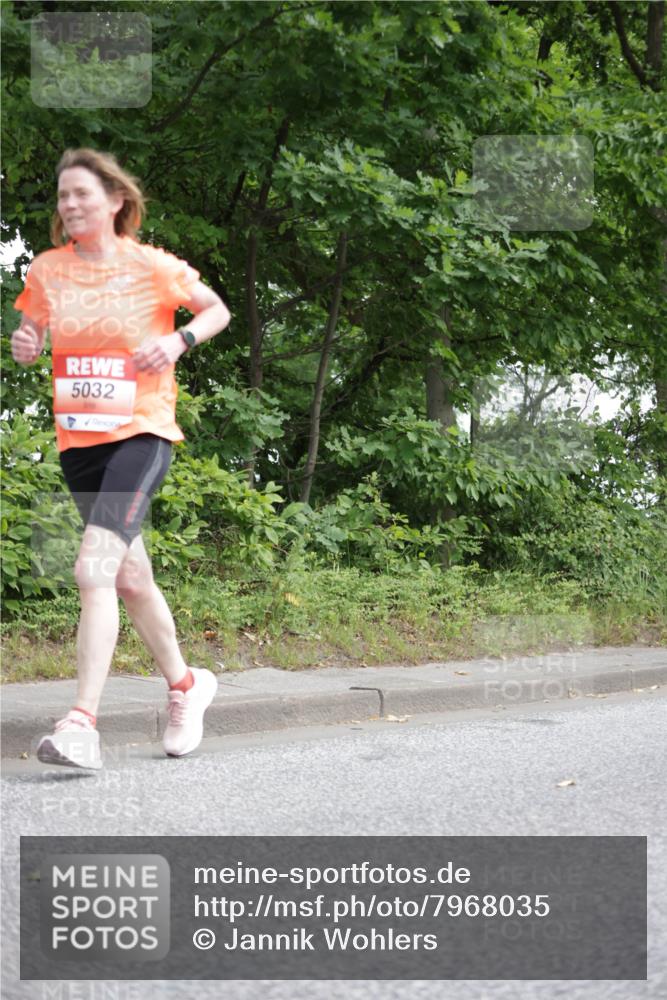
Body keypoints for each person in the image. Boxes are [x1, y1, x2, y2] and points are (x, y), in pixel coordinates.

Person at [10, 148, 231, 770]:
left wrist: (179, 340)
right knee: (130, 578)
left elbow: (216, 309)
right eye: (63, 195)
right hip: (79, 443)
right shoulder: (48, 270)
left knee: (93, 569)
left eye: (81, 193)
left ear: (115, 201)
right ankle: (187, 686)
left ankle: (81, 724)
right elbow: (31, 335)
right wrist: (27, 342)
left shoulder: (151, 266)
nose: (70, 204)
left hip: (142, 432)